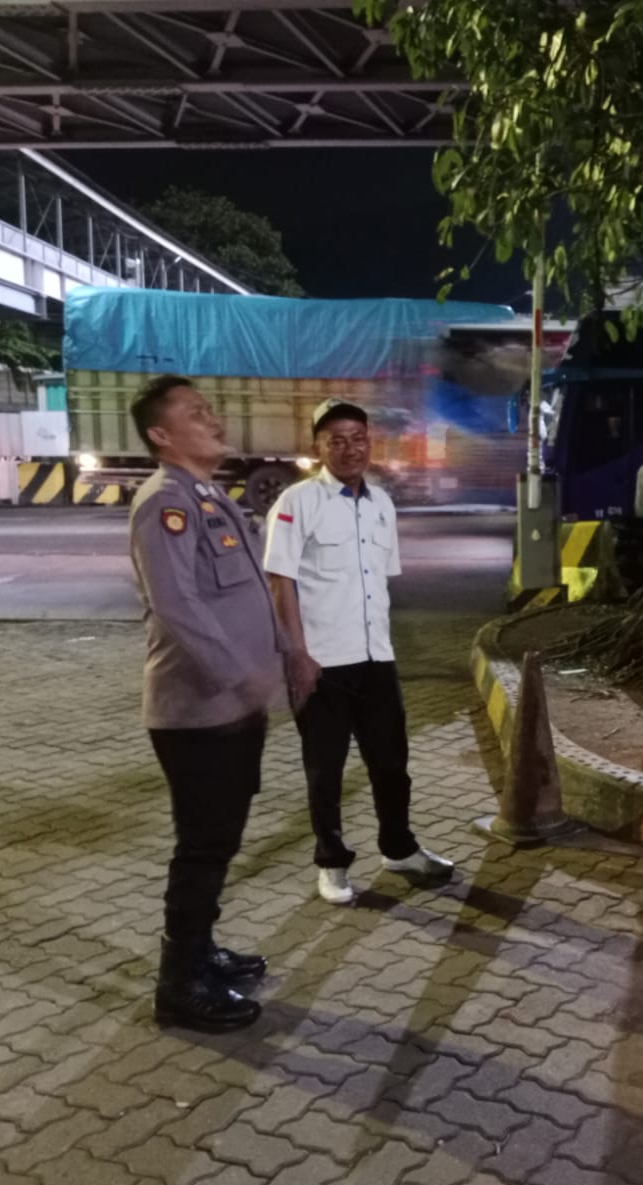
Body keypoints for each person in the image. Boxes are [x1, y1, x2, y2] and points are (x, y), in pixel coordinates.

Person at [129, 375, 285, 1033]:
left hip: (235, 705)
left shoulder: (212, 497)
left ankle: (200, 951)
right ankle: (179, 984)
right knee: (202, 843)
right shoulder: (163, 503)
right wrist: (238, 676)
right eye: (195, 413)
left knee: (220, 838)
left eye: (210, 410)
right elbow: (177, 605)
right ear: (161, 435)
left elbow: (250, 594)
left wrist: (283, 656)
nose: (213, 420)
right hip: (197, 710)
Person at [263, 398, 454, 905]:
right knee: (325, 771)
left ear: (371, 443)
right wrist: (297, 655)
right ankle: (331, 862)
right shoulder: (297, 502)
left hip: (376, 661)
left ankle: (399, 848)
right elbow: (280, 580)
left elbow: (379, 583)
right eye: (337, 440)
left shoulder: (381, 504)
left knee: (391, 764)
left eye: (358, 438)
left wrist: (387, 651)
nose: (350, 449)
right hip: (321, 662)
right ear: (317, 448)